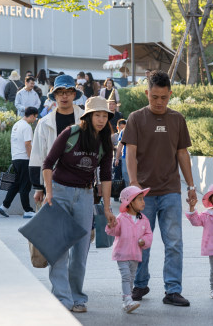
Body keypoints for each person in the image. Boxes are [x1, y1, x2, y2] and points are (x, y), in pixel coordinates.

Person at [122, 70, 195, 307]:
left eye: (164, 97)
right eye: (154, 97)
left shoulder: (177, 119)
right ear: (147, 93)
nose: (159, 102)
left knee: (174, 242)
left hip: (171, 191)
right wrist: (134, 184)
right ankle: (140, 284)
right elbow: (130, 153)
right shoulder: (135, 118)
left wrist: (191, 186)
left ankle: (173, 289)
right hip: (143, 194)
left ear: (170, 94)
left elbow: (182, 153)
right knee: (141, 240)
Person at [41, 96, 116, 313]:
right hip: (60, 191)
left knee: (81, 249)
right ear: (88, 116)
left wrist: (108, 208)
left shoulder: (104, 142)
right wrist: (48, 192)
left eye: (105, 115)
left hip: (85, 195)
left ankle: (77, 297)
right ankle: (62, 298)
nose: (101, 119)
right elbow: (48, 163)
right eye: (97, 115)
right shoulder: (71, 133)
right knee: (60, 247)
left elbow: (106, 176)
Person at [29, 75, 84, 197]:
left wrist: (99, 182)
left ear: (74, 95)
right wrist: (38, 187)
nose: (64, 96)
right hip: (53, 182)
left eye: (68, 92)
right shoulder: (44, 122)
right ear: (54, 96)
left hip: (81, 181)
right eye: (60, 92)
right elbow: (38, 153)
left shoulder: (85, 120)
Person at [105, 185, 154, 314]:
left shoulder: (144, 220)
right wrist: (111, 226)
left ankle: (128, 300)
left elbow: (149, 235)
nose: (143, 202)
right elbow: (114, 231)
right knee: (126, 276)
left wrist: (145, 241)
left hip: (135, 255)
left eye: (143, 199)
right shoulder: (121, 217)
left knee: (131, 277)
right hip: (122, 253)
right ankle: (127, 300)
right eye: (139, 199)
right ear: (130, 202)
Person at [0, 106, 38, 219]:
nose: (35, 119)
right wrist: (32, 159)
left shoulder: (17, 125)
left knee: (16, 184)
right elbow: (27, 144)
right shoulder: (26, 127)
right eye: (35, 117)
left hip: (15, 158)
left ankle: (4, 206)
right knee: (25, 185)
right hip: (25, 159)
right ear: (31, 115)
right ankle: (28, 210)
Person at [114, 119, 129, 185]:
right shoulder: (123, 132)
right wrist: (117, 158)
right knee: (126, 175)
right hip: (125, 156)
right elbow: (120, 145)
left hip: (137, 156)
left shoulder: (138, 131)